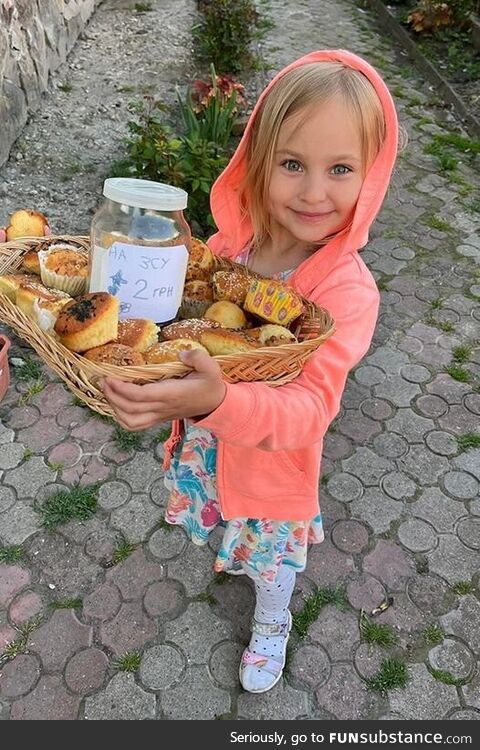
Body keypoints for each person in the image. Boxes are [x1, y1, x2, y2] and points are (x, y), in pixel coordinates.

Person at [102, 49, 399, 694]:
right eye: (292, 164)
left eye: (340, 169)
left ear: (370, 178)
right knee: (223, 521)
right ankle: (236, 555)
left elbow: (310, 410)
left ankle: (273, 618)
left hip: (273, 472)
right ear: (258, 163)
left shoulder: (347, 294)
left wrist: (216, 402)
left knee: (272, 561)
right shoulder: (231, 247)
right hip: (210, 444)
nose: (314, 192)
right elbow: (189, 314)